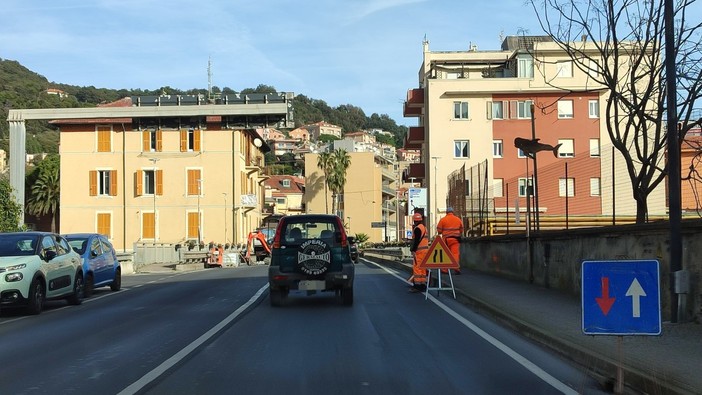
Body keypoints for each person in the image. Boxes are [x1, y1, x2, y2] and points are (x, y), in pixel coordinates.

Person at [436, 207, 463, 274]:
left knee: (445, 254)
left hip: (446, 239)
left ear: (446, 212)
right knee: (455, 254)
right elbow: (461, 229)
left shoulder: (443, 220)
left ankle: (445, 269)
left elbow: (439, 230)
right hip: (455, 239)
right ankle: (456, 268)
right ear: (453, 212)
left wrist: (442, 232)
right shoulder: (458, 219)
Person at [408, 212, 429, 293]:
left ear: (415, 221)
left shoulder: (417, 229)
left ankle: (417, 286)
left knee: (417, 268)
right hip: (425, 251)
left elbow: (416, 241)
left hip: (419, 251)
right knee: (423, 268)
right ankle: (423, 284)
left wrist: (413, 249)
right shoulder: (424, 228)